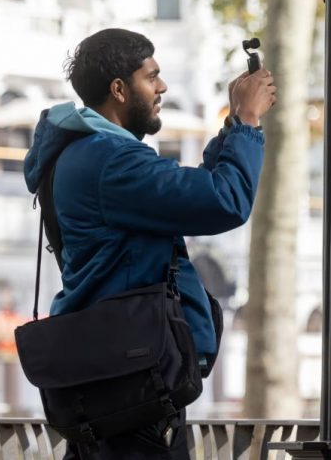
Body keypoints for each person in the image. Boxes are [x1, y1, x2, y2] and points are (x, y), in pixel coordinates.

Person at [23, 28, 276, 459]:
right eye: (152, 76)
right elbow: (223, 201)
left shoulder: (80, 153)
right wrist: (249, 124)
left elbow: (188, 193)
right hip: (132, 379)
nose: (162, 87)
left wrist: (233, 124)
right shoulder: (109, 160)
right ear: (119, 89)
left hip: (108, 374)